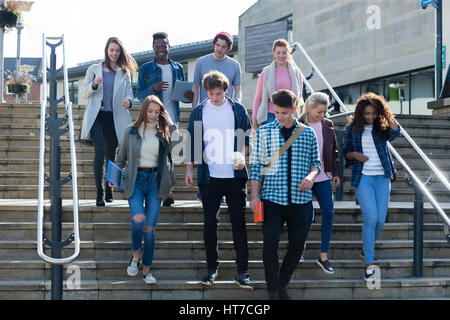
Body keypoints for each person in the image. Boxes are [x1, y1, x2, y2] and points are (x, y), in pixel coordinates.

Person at [250, 89, 321, 300]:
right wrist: (254, 196)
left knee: (297, 246)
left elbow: (316, 163)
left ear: (294, 110)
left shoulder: (308, 133)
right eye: (277, 112)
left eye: (284, 113)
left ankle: (281, 285)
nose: (280, 116)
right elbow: (255, 166)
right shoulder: (264, 132)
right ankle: (273, 291)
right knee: (269, 243)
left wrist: (311, 176)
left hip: (301, 201)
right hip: (272, 198)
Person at [185, 71, 252, 290]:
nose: (215, 97)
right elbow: (193, 143)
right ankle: (212, 268)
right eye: (212, 93)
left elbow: (246, 138)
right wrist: (189, 170)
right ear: (206, 92)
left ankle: (242, 271)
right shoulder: (198, 111)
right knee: (210, 223)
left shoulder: (237, 109)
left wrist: (242, 155)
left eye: (219, 93)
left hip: (234, 177)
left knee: (238, 223)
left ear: (226, 89)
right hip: (209, 176)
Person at [110, 95, 179, 284]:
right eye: (150, 111)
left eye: (157, 112)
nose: (153, 115)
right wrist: (114, 178)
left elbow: (179, 149)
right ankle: (135, 256)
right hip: (136, 180)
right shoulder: (130, 131)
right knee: (138, 219)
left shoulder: (163, 133)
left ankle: (147, 270)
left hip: (156, 182)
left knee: (149, 229)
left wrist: (171, 124)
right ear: (143, 111)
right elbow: (120, 157)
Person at [343, 92, 400, 281]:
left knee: (381, 221)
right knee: (371, 218)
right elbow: (346, 154)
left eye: (373, 113)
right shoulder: (352, 129)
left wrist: (385, 111)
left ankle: (366, 248)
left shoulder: (381, 126)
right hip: (364, 178)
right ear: (360, 113)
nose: (370, 117)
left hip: (383, 177)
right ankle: (369, 263)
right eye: (366, 113)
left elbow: (396, 132)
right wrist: (355, 155)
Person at [80, 37, 138, 206]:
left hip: (114, 118)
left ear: (120, 53)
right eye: (111, 50)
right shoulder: (94, 69)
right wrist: (93, 85)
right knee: (99, 151)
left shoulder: (123, 72)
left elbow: (129, 94)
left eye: (117, 51)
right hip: (97, 117)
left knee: (111, 156)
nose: (114, 53)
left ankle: (109, 187)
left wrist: (128, 101)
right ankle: (100, 192)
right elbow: (84, 93)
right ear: (106, 50)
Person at [137, 32, 191, 206]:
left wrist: (188, 95)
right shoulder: (145, 69)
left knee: (169, 154)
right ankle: (153, 190)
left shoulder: (178, 68)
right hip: (152, 117)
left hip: (171, 117)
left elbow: (182, 94)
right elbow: (139, 94)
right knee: (154, 154)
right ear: (153, 48)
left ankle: (168, 192)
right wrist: (153, 87)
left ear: (169, 46)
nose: (161, 48)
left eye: (164, 45)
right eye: (157, 46)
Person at [299, 92, 340, 274]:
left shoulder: (328, 125)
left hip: (323, 176)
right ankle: (299, 248)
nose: (322, 115)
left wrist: (336, 173)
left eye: (324, 112)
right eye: (319, 112)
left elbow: (334, 151)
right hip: (304, 178)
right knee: (307, 216)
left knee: (329, 212)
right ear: (310, 108)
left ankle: (323, 256)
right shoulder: (298, 124)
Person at [252, 39, 303, 130]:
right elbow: (258, 97)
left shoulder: (296, 73)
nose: (281, 56)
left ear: (288, 53)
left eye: (284, 53)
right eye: (278, 53)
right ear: (274, 53)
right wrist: (254, 119)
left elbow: (299, 97)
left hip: (290, 116)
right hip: (270, 116)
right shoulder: (266, 72)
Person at [191, 32, 241, 107]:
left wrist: (236, 105)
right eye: (218, 45)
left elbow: (238, 89)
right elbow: (195, 87)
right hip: (205, 109)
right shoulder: (200, 62)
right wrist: (194, 109)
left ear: (228, 48)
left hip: (227, 110)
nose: (219, 49)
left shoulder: (235, 65)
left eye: (223, 47)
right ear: (214, 44)